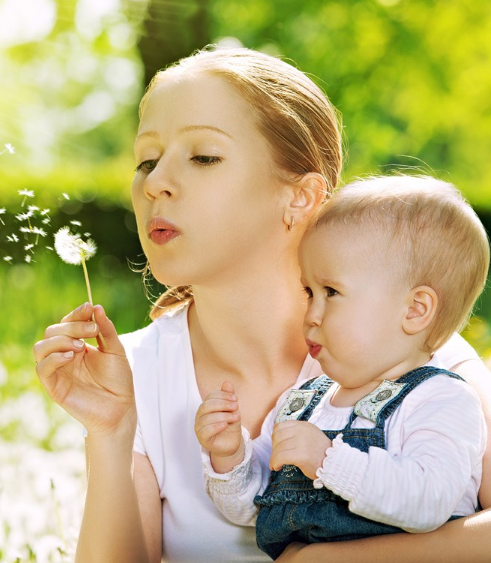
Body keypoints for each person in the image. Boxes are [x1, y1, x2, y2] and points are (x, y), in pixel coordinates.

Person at [32, 45, 491, 563]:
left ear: (299, 196)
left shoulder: (413, 351)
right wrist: (110, 435)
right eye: (146, 160)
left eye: (203, 156)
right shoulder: (136, 374)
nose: (155, 183)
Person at [197, 175, 488, 560]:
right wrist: (230, 457)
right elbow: (254, 508)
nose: (312, 313)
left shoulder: (442, 398)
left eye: (331, 292)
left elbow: (428, 501)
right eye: (309, 292)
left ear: (415, 310)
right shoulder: (303, 403)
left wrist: (327, 460)